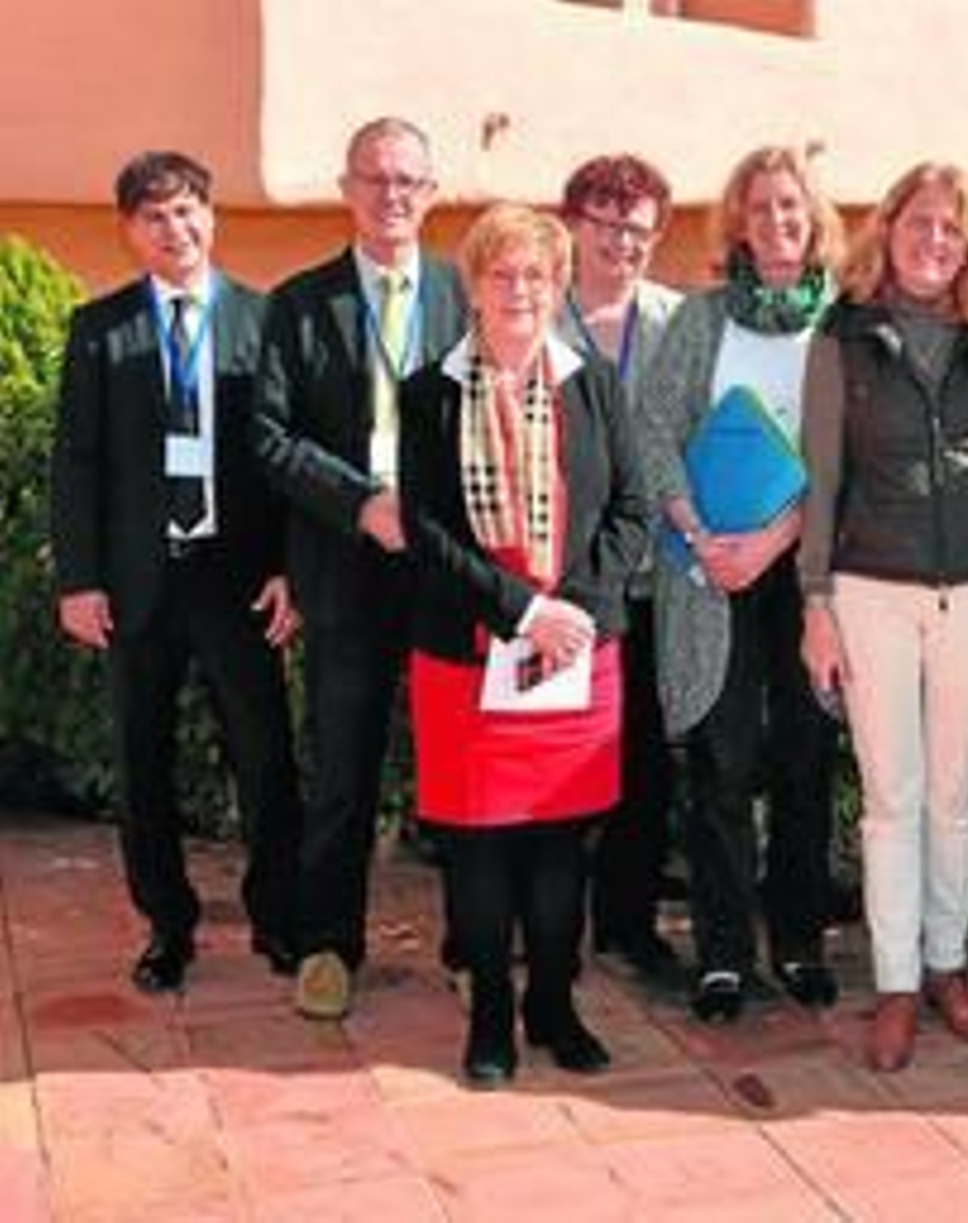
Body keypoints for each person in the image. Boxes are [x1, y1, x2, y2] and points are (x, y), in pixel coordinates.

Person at [399, 203, 649, 1087]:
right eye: (501, 274)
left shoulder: (595, 385)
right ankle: (490, 1016)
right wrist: (522, 610)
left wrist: (567, 612)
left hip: (577, 653)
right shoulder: (428, 393)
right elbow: (425, 530)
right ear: (473, 286)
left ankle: (553, 1003)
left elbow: (631, 511)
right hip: (468, 653)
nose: (520, 290)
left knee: (560, 845)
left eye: (537, 274)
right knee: (478, 849)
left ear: (559, 285)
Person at [50, 150, 303, 992]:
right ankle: (167, 925)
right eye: (154, 216)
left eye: (188, 208)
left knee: (265, 756)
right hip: (137, 583)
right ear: (130, 231)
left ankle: (278, 917)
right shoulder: (100, 329)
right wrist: (79, 579)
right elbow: (76, 462)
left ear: (211, 215)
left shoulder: (264, 320)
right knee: (141, 760)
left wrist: (290, 569)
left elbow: (288, 459)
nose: (175, 228)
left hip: (238, 580)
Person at [798, 162, 968, 1072]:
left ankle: (947, 966)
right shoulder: (843, 334)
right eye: (919, 222)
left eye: (952, 227)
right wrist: (816, 602)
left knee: (954, 793)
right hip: (871, 589)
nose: (935, 240)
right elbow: (822, 476)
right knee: (891, 796)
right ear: (888, 231)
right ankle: (896, 981)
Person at [254, 116, 467, 1020]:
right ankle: (327, 946)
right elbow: (269, 438)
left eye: (408, 180)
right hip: (344, 568)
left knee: (458, 771)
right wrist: (360, 502)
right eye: (375, 178)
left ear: (432, 192)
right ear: (347, 189)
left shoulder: (466, 294)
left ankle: (472, 945)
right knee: (342, 772)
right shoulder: (299, 304)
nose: (391, 196)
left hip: (446, 572)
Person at [636, 145, 843, 1024]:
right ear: (739, 225)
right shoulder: (701, 318)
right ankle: (722, 953)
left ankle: (798, 942)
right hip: (710, 568)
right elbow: (653, 429)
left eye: (790, 206)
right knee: (720, 762)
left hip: (812, 572)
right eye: (759, 208)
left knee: (805, 755)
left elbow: (853, 455)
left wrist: (773, 540)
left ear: (814, 217)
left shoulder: (845, 321)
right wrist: (697, 532)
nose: (777, 222)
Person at [555, 154, 684, 981]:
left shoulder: (680, 321)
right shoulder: (537, 313)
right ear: (573, 224)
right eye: (605, 224)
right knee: (558, 751)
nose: (622, 242)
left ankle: (627, 922)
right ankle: (552, 918)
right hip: (565, 578)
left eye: (638, 229)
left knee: (647, 758)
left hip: (659, 578)